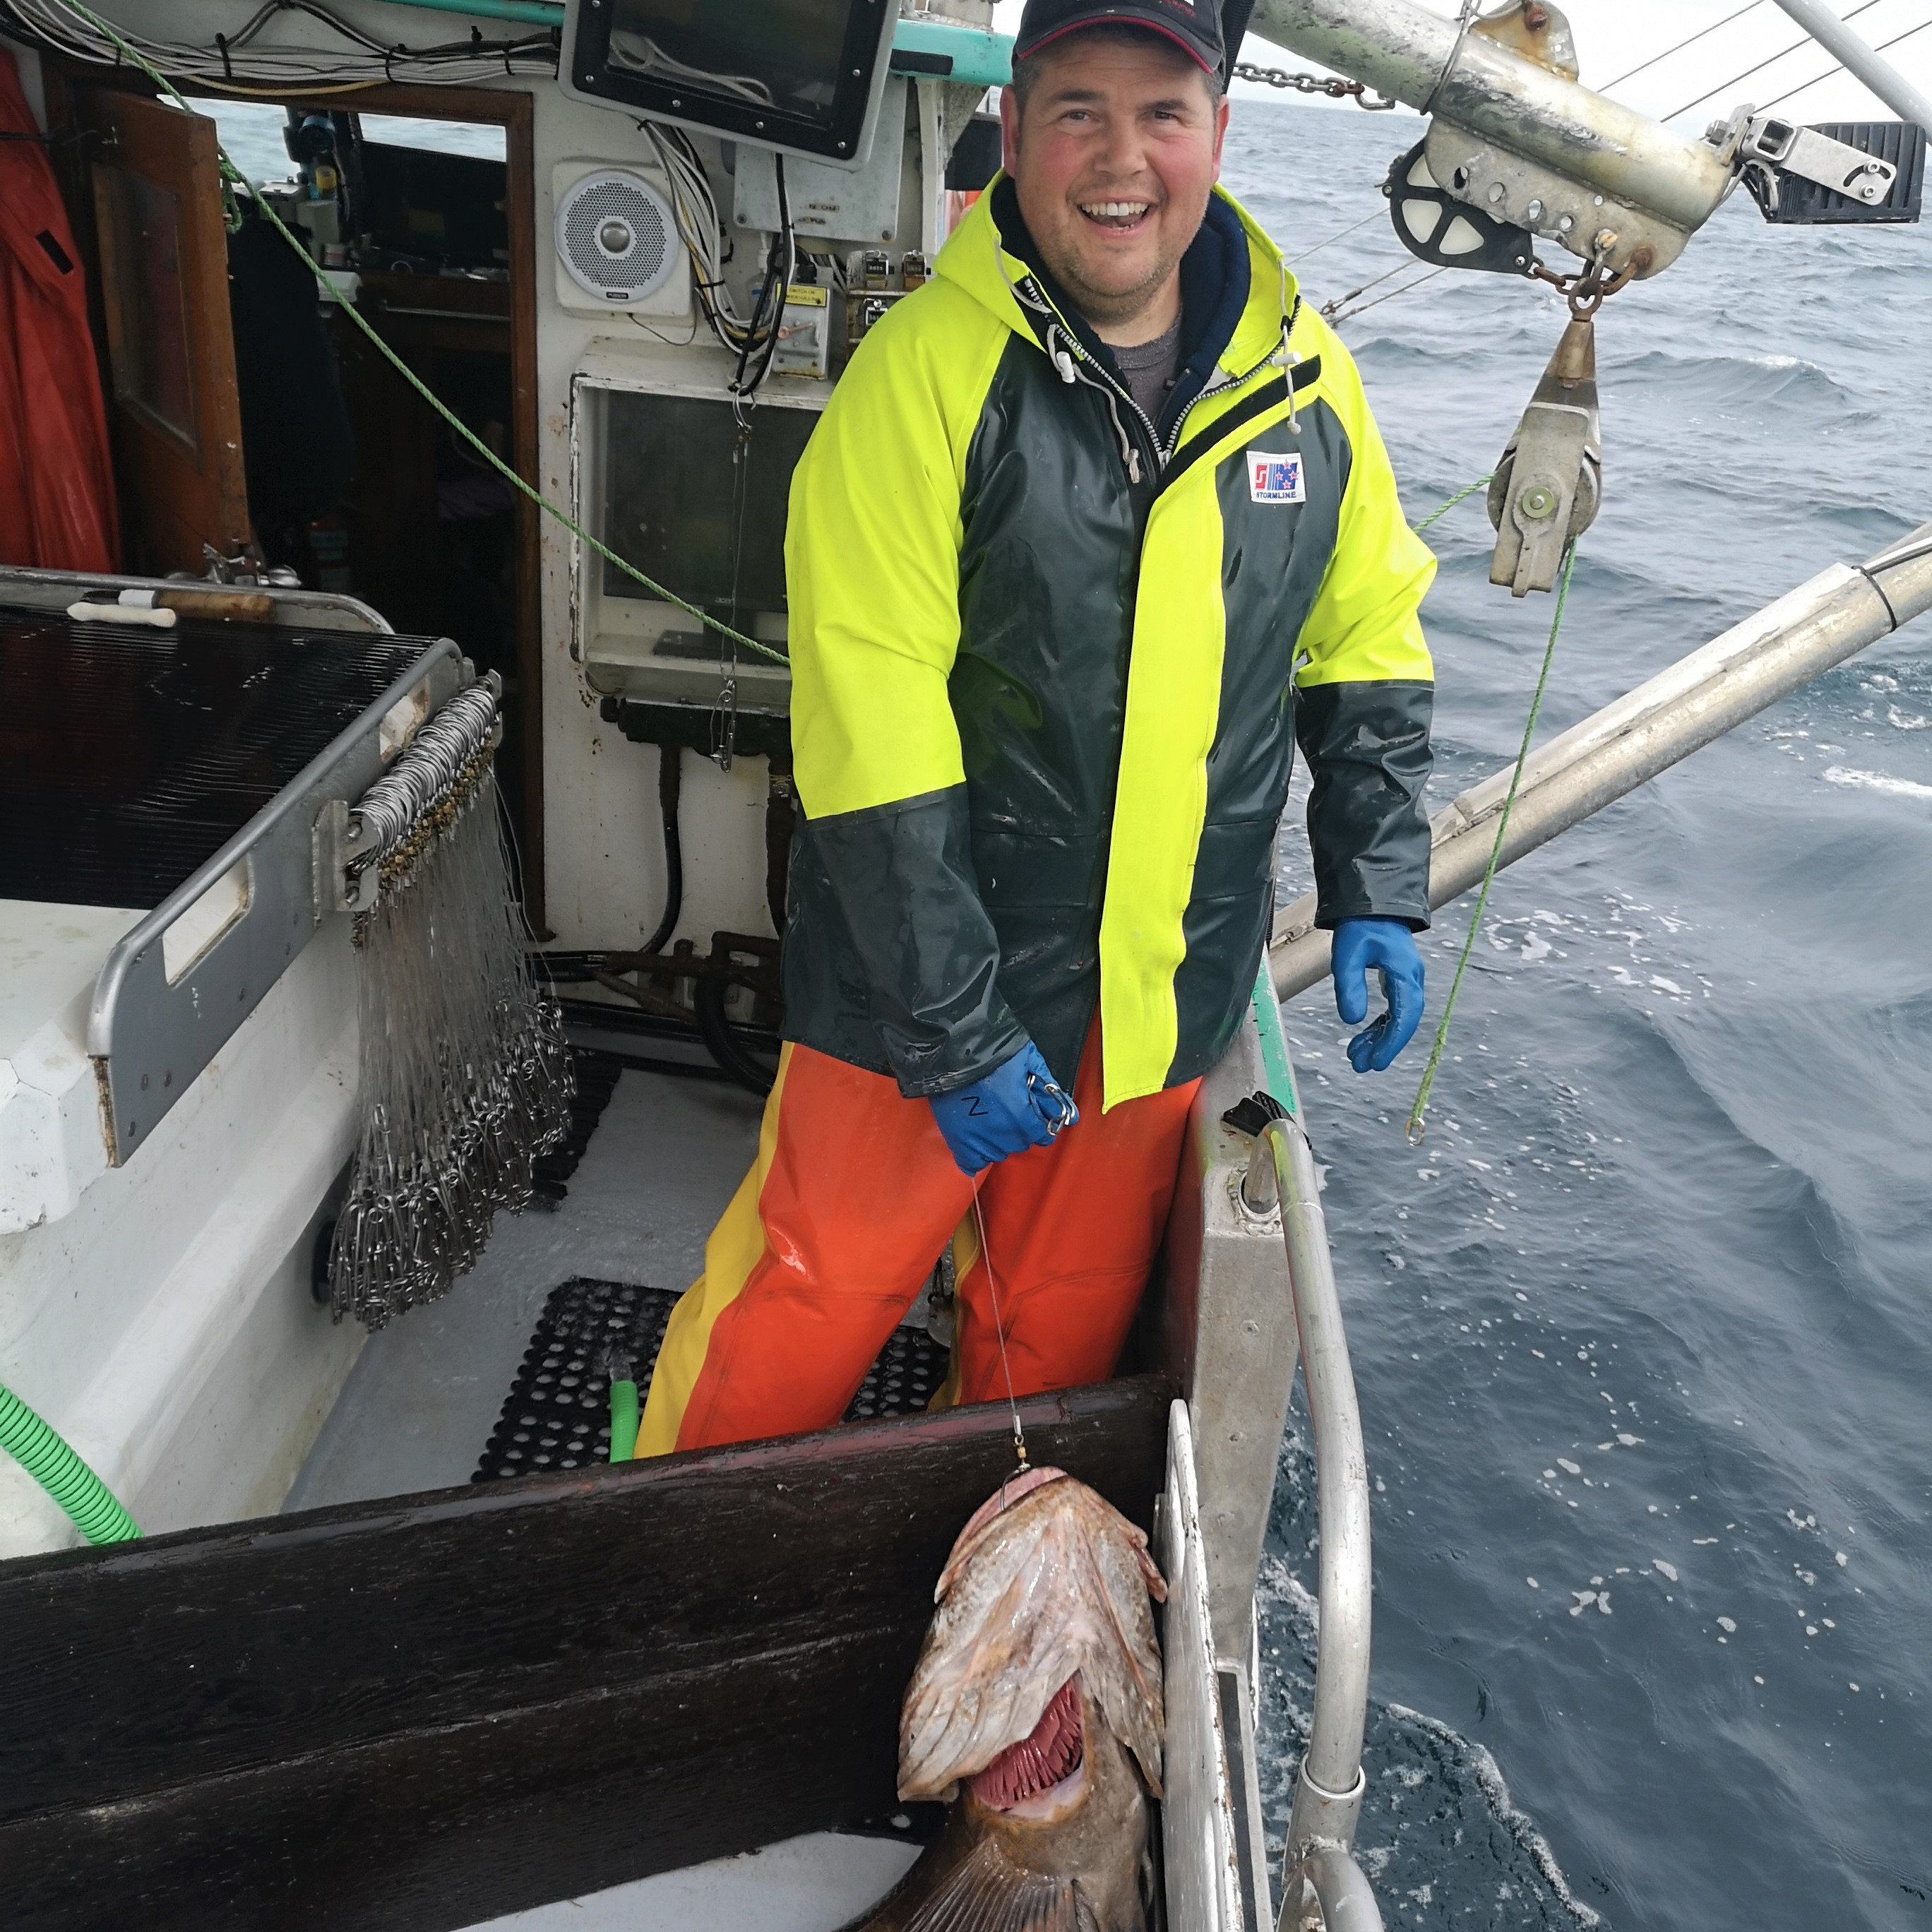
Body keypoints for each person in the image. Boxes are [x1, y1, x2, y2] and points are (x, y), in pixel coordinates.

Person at [637, 0, 1436, 1457]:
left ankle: (986, 1612)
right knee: (803, 1311)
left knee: (1048, 1346)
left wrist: (1381, 881)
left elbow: (1366, 633)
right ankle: (650, 1579)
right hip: (913, 1004)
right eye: (1078, 111)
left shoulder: (1310, 384)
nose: (1119, 159)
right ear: (1016, 132)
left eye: (1161, 116)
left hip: (1153, 1005)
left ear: (1217, 138)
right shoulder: (925, 376)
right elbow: (870, 726)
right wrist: (950, 1028)